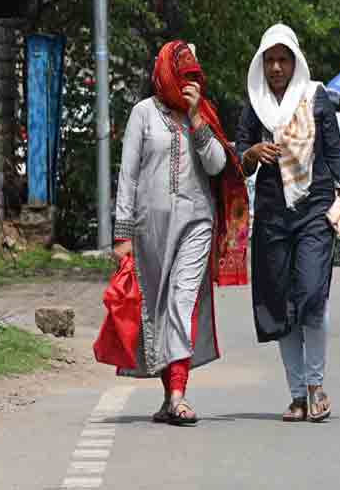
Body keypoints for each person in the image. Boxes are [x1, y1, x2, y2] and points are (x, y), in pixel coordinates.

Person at [111, 41, 249, 427]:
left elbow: (219, 164)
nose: (188, 83)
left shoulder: (201, 114)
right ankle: (168, 395)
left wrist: (197, 118)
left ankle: (178, 394)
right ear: (165, 74)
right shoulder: (142, 114)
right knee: (154, 307)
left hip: (196, 223)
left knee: (182, 302)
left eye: (194, 77)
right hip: (148, 229)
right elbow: (128, 176)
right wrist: (122, 234)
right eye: (182, 75)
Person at [237, 24, 340, 423]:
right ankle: (297, 397)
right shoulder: (254, 102)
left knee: (310, 296)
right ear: (260, 64)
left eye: (282, 59)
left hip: (314, 208)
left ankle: (317, 387)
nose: (275, 68)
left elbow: (335, 150)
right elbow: (239, 156)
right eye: (269, 60)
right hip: (271, 214)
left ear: (295, 62)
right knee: (280, 305)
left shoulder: (315, 96)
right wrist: (252, 151)